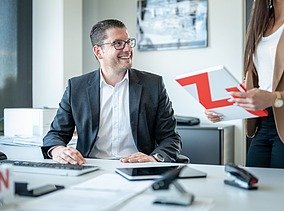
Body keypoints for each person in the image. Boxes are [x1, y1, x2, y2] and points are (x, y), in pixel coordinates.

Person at [41, 19, 182, 165]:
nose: (127, 49)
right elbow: (56, 134)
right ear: (98, 51)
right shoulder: (76, 87)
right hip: (90, 166)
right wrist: (57, 150)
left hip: (139, 168)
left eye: (128, 42)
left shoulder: (153, 85)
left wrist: (153, 158)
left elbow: (170, 138)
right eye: (118, 43)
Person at [205, 0, 284, 168]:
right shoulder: (261, 21)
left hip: (281, 119)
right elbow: (255, 80)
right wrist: (223, 108)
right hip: (261, 124)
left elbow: (270, 94)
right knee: (255, 189)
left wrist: (274, 98)